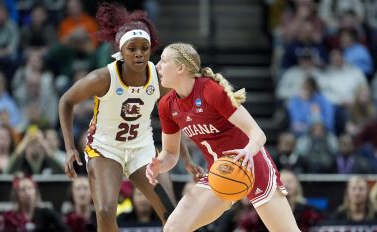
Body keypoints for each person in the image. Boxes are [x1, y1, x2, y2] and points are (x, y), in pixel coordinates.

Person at [58, 4, 199, 231]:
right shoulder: (103, 77)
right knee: (104, 212)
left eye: (144, 47)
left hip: (141, 148)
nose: (139, 53)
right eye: (132, 48)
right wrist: (69, 148)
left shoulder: (159, 78)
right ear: (120, 52)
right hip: (106, 148)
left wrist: (187, 159)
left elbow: (173, 119)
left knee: (170, 212)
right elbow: (66, 101)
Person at [146, 42, 300, 231]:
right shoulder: (166, 105)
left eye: (163, 61)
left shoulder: (210, 90)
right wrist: (158, 165)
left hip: (253, 166)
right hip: (221, 172)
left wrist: (247, 152)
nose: (157, 66)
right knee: (173, 228)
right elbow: (170, 154)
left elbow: (257, 133)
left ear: (180, 68)